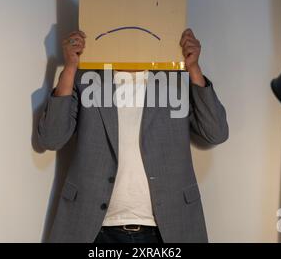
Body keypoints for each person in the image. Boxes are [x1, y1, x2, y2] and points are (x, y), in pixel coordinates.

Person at [38, 28, 229, 243]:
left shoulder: (176, 78)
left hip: (167, 229)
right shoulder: (87, 78)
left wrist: (193, 68)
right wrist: (70, 68)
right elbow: (51, 138)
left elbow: (216, 132)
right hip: (94, 228)